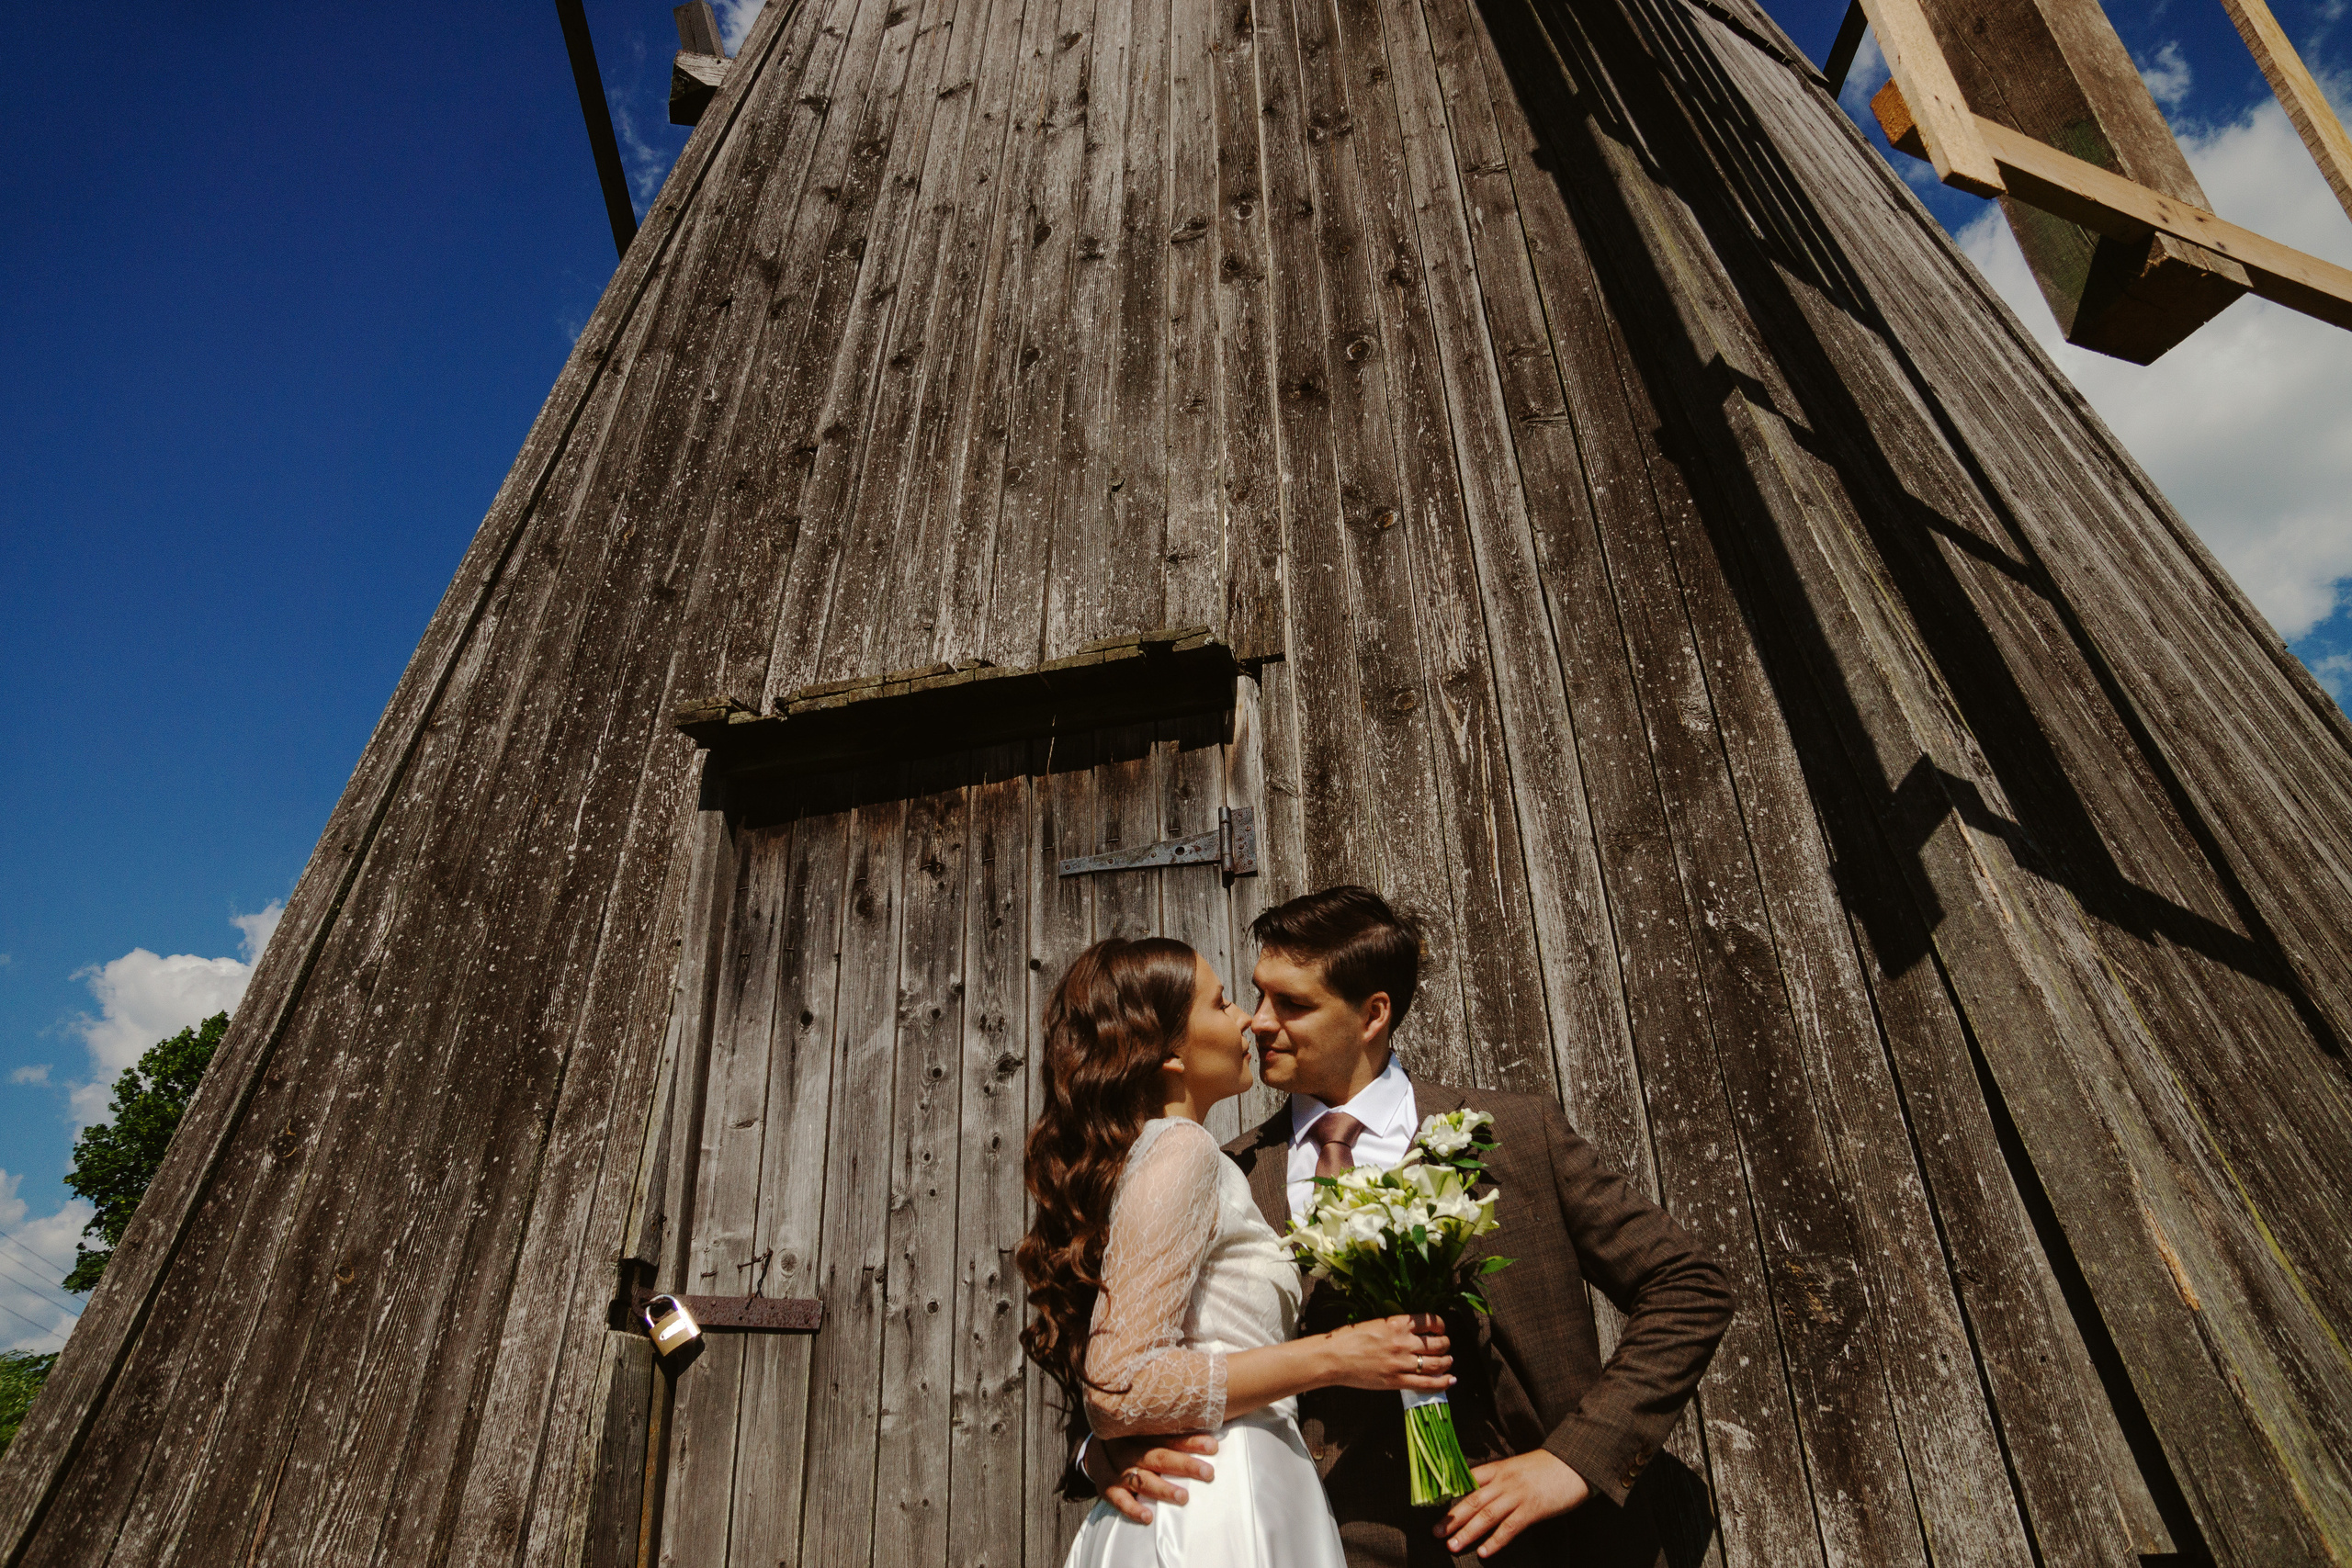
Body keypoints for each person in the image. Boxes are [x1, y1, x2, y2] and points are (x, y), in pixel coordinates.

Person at [1081, 887, 1736, 1566]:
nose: (1256, 1021)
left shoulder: (1516, 1132)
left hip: (1554, 1548)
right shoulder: (1224, 1174)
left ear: (1373, 1013)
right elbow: (1127, 1360)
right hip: (1322, 1542)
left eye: (1293, 1004)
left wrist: (1571, 1461)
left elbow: (1689, 1285)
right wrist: (1105, 1449)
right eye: (1255, 994)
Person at [1017, 935, 1458, 1567]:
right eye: (1222, 1003)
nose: (1247, 1019)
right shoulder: (1184, 1151)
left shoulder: (1172, 1157)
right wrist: (1336, 1354)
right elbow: (1118, 1383)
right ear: (1169, 1049)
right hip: (1220, 1505)